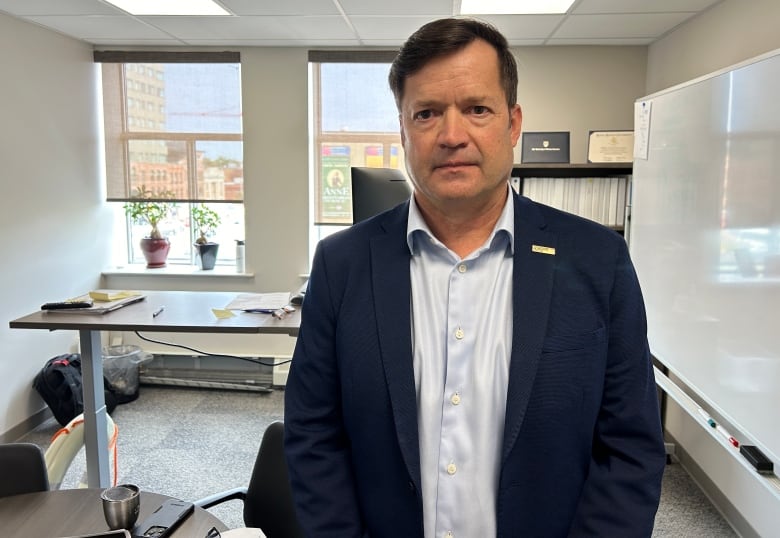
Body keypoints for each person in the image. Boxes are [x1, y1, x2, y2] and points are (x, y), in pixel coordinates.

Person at [284, 17, 666, 538]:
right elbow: (313, 436)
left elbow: (629, 446)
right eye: (427, 114)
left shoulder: (600, 260)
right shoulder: (341, 264)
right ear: (403, 132)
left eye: (476, 109)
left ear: (513, 125)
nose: (451, 135)